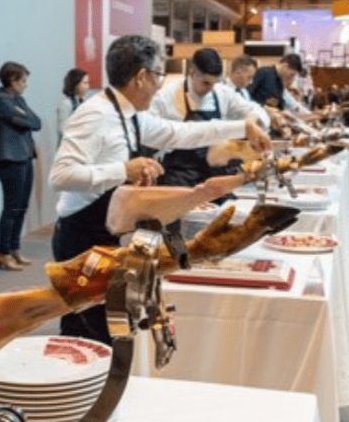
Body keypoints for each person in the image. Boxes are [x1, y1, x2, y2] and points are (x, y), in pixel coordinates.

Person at [50, 34, 270, 345]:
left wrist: (242, 128)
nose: (159, 85)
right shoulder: (95, 114)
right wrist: (123, 170)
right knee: (84, 332)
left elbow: (180, 133)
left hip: (106, 234)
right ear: (142, 77)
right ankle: (75, 389)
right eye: (158, 75)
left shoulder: (131, 115)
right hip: (80, 239)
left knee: (107, 329)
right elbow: (60, 175)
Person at [149, 47, 271, 188]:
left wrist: (251, 122)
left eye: (215, 82)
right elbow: (151, 135)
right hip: (179, 179)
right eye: (206, 83)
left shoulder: (222, 93)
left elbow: (257, 110)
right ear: (192, 72)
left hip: (215, 177)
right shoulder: (166, 97)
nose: (211, 88)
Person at [0, 61, 42, 270]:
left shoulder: (18, 99)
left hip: (25, 157)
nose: (25, 85)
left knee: (21, 207)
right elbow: (26, 122)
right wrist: (24, 117)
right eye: (23, 80)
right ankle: (3, 253)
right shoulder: (0, 101)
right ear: (12, 80)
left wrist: (24, 116)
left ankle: (14, 249)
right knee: (11, 208)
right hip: (10, 159)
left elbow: (36, 122)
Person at [56, 67, 90, 145]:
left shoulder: (84, 102)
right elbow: (62, 129)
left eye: (88, 83)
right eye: (85, 83)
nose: (88, 86)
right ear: (76, 84)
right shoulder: (66, 104)